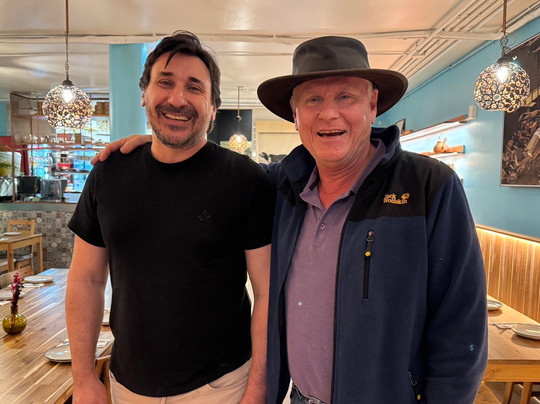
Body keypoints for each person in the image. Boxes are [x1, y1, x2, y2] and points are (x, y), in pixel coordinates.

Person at [96, 36, 488, 404]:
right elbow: (214, 171)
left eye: (346, 97)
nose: (328, 113)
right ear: (295, 115)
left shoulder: (429, 187)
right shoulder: (280, 187)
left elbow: (462, 328)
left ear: (372, 105)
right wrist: (163, 144)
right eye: (313, 99)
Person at [65, 31, 274, 404]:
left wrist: (258, 389)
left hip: (221, 386)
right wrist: (83, 378)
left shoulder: (246, 179)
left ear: (213, 108)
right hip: (127, 385)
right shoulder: (108, 173)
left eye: (194, 87)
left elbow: (267, 293)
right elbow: (86, 280)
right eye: (165, 82)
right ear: (144, 94)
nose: (178, 99)